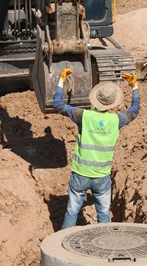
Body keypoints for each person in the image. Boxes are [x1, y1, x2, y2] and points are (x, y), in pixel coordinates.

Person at [54, 69, 140, 229]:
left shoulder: (83, 116)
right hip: (102, 177)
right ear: (112, 103)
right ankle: (104, 247)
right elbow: (134, 110)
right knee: (104, 215)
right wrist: (134, 86)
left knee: (72, 212)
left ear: (95, 99)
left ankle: (63, 246)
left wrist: (61, 81)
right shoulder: (116, 120)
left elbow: (58, 105)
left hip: (80, 174)